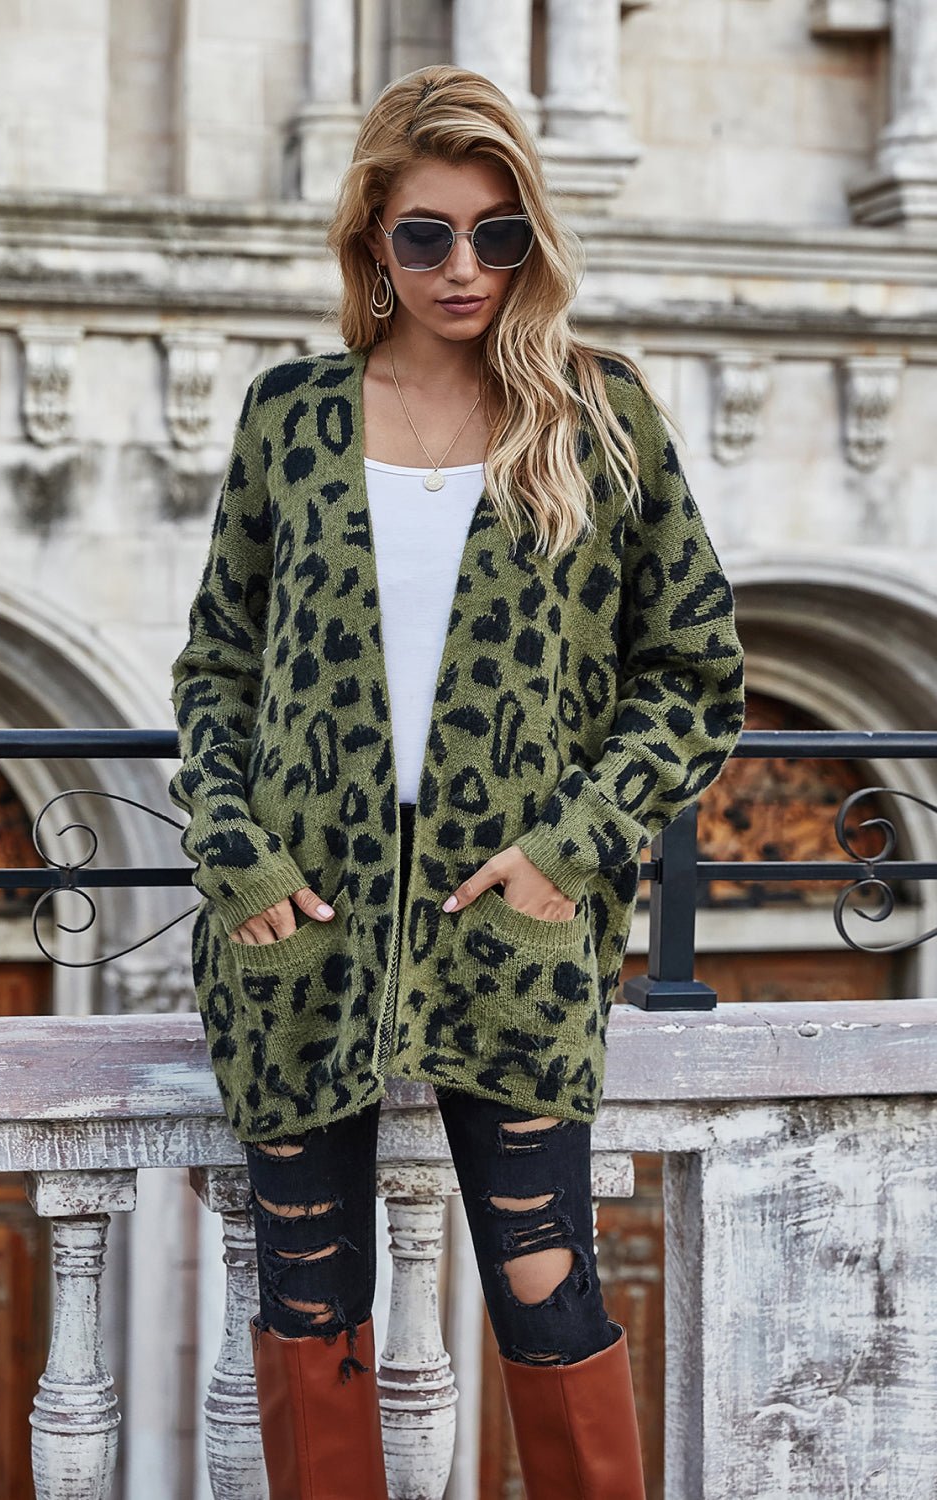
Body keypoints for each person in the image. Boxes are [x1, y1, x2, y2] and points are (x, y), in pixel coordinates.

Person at [168, 64, 745, 1500]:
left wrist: (573, 847)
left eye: (498, 233)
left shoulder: (597, 416)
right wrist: (233, 853)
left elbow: (694, 675)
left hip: (516, 932)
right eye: (427, 234)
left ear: (532, 239)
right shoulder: (292, 417)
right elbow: (216, 665)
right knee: (308, 1298)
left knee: (549, 1287)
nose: (464, 266)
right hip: (300, 935)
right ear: (374, 238)